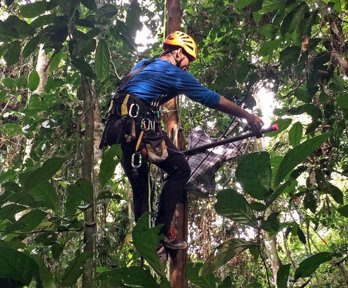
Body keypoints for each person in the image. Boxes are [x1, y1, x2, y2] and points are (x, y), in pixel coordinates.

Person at [101, 31, 263, 250]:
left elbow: (138, 92)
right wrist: (248, 116)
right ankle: (159, 235)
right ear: (177, 53)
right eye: (188, 59)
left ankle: (146, 244)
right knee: (180, 170)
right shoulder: (174, 73)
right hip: (139, 127)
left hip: (116, 130)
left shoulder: (142, 64)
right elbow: (211, 98)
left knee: (141, 187)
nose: (187, 66)